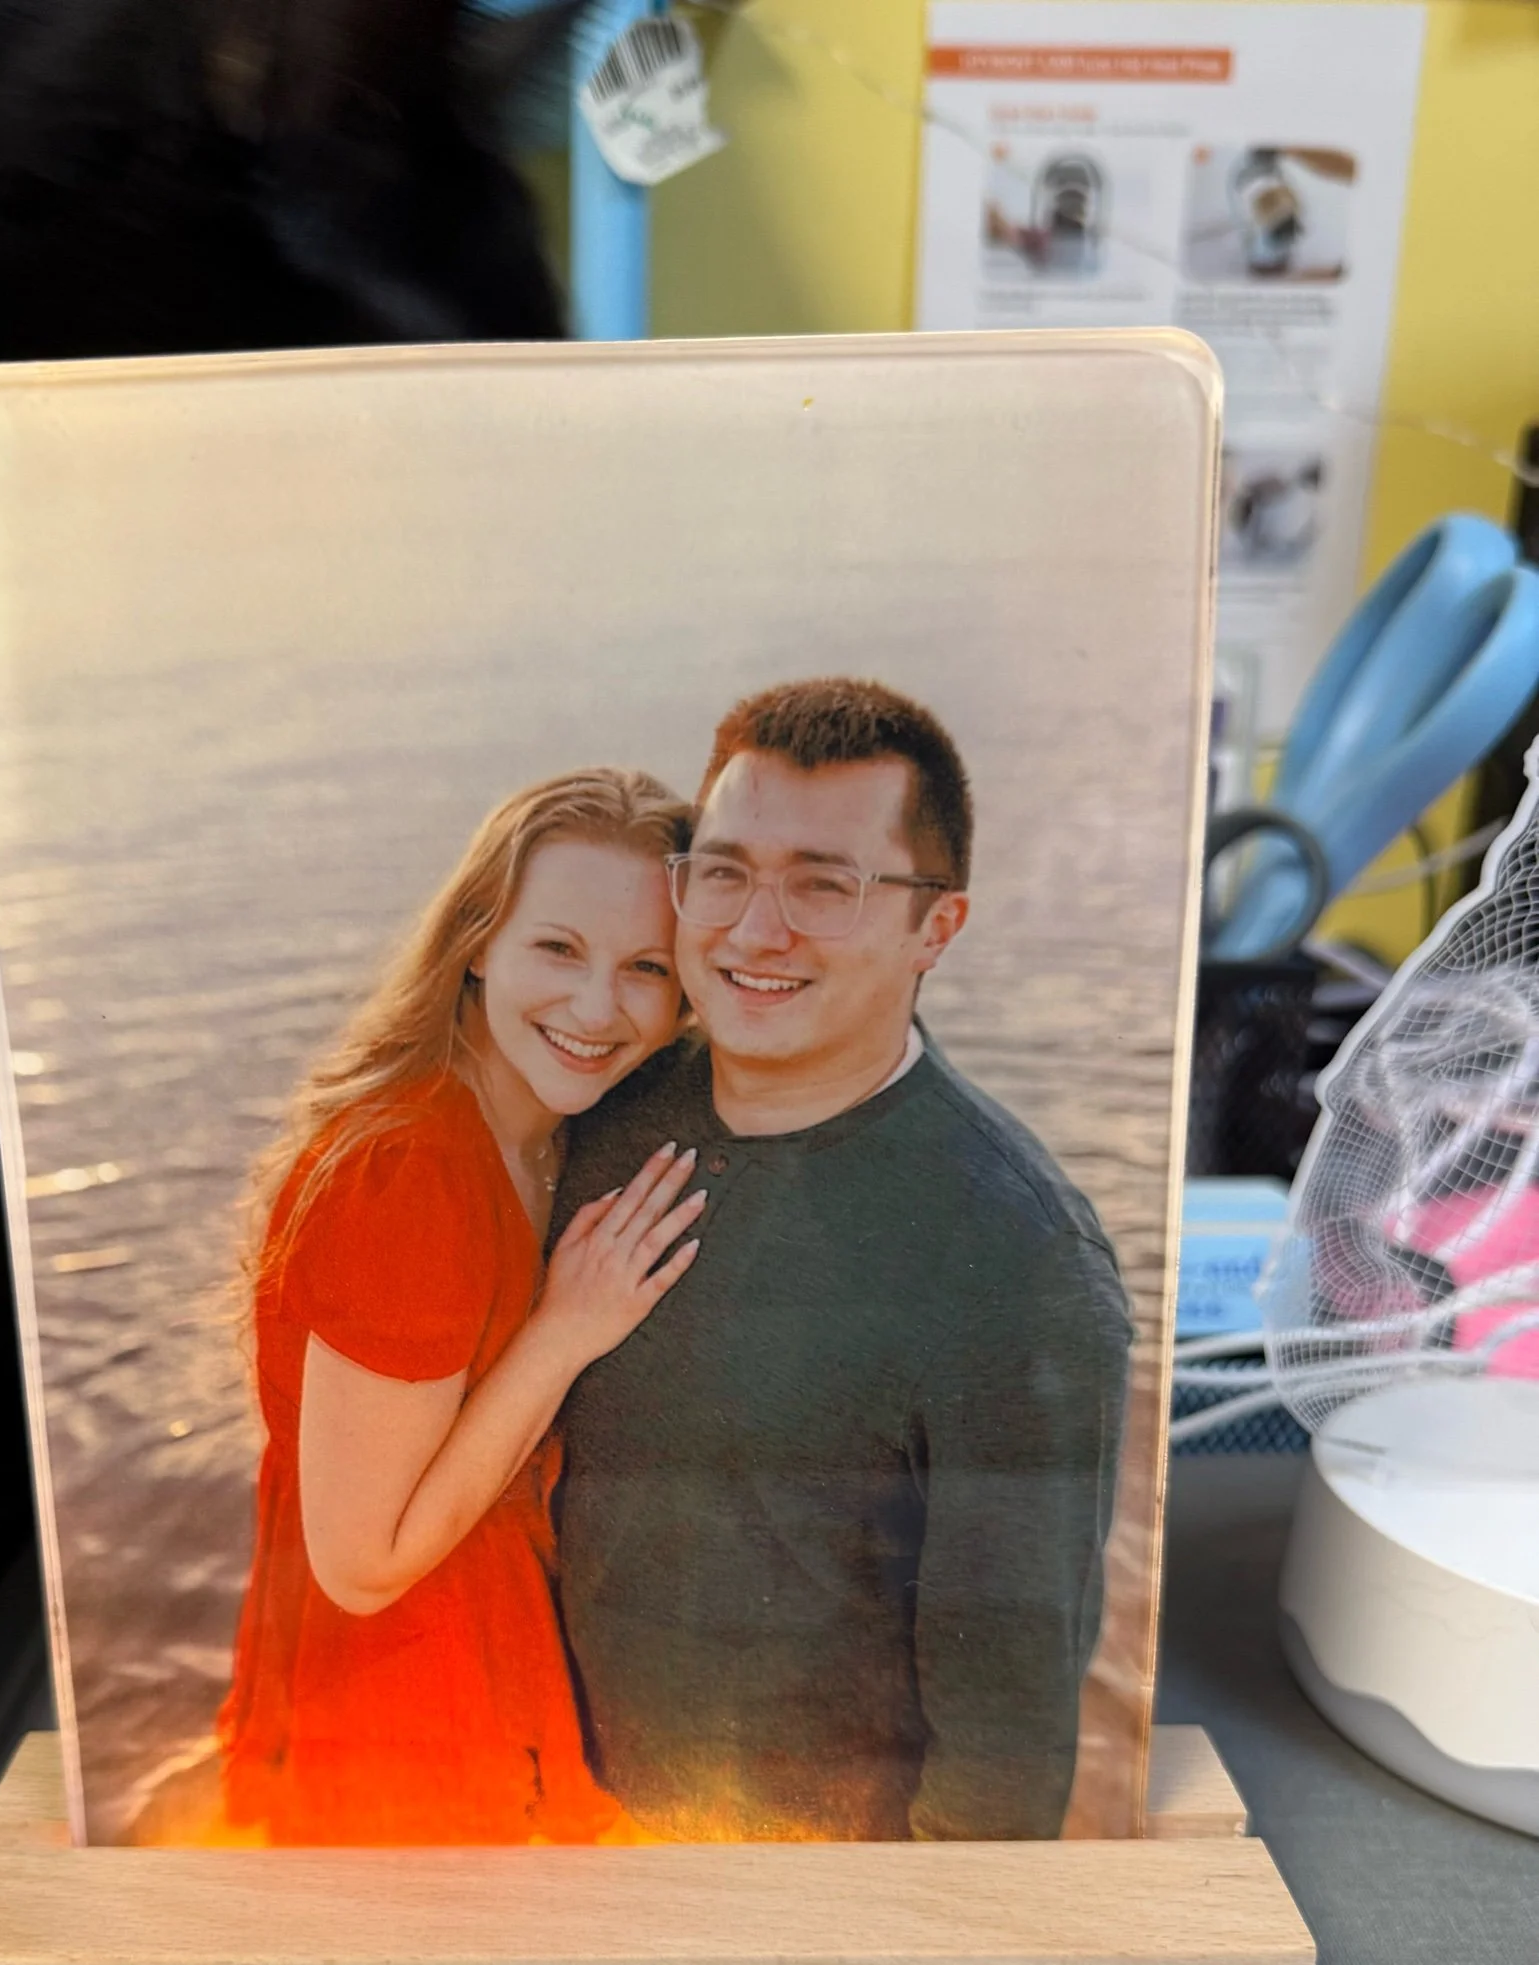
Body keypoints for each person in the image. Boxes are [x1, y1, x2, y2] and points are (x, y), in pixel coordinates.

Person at [553, 679, 1134, 1843]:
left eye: (825, 885)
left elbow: (1005, 1745)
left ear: (937, 927)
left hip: (811, 1887)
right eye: (724, 872)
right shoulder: (603, 1115)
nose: (753, 931)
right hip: (569, 1832)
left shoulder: (1019, 1265)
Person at [219, 768, 707, 1843]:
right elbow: (361, 1566)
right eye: (558, 948)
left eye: (646, 967)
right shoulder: (408, 1173)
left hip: (484, 1638)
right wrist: (565, 1333)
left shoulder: (552, 1131)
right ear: (478, 942)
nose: (597, 1008)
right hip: (405, 1696)